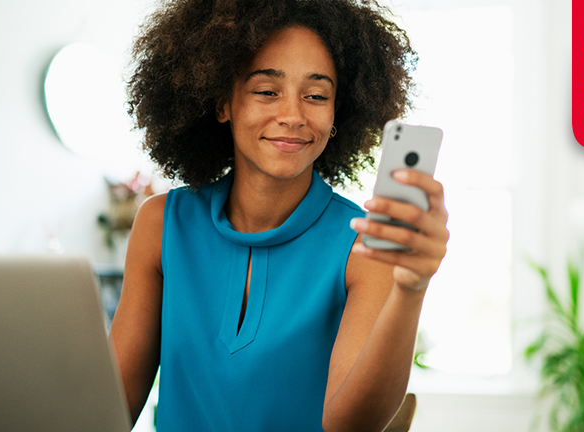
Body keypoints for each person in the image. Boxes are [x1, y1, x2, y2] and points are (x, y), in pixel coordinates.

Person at [109, 0, 449, 430]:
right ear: (222, 103)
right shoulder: (162, 224)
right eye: (267, 91)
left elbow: (350, 425)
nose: (293, 115)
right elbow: (109, 408)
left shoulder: (363, 246)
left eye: (317, 95)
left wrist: (411, 288)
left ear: (336, 113)